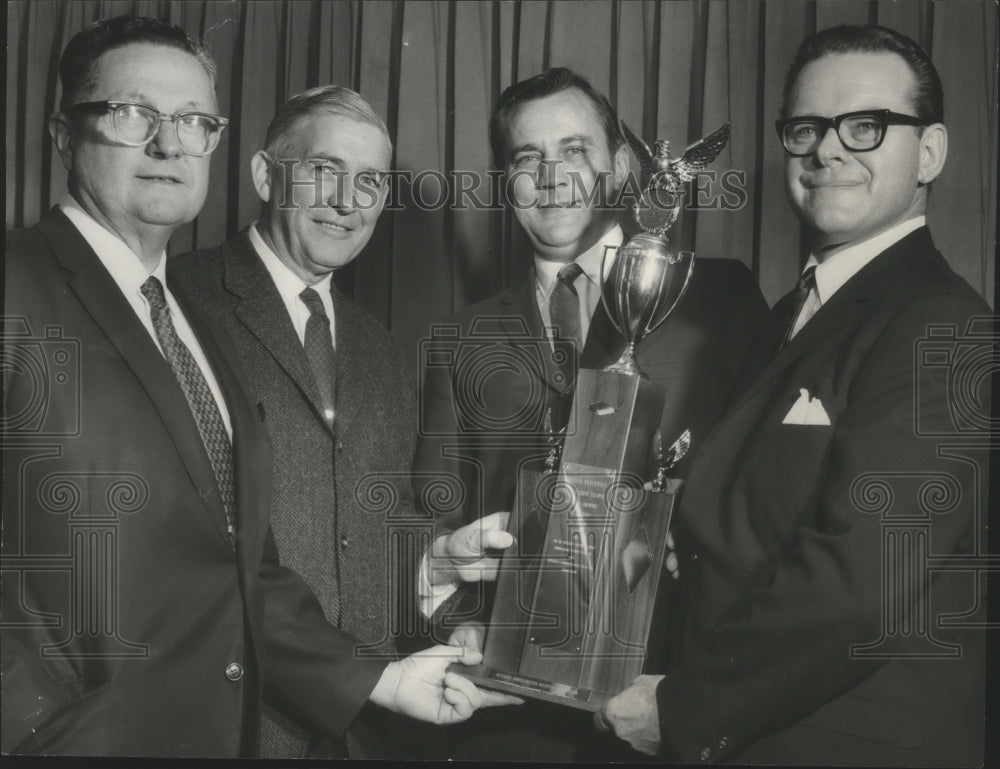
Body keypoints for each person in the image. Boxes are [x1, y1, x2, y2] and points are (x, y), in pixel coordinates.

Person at [1, 16, 507, 758]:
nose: (169, 144)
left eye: (194, 122)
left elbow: (239, 566)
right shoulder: (18, 286)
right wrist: (38, 731)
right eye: (132, 114)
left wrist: (386, 679)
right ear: (62, 133)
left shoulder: (180, 322)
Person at [596, 24, 989, 766]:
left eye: (866, 126)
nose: (828, 149)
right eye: (807, 127)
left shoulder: (948, 325)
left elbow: (862, 583)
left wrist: (681, 708)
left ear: (929, 151)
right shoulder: (792, 314)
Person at [411, 67, 769, 761]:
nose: (550, 177)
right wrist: (459, 624)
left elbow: (761, 492)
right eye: (526, 159)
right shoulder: (458, 339)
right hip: (509, 709)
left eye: (574, 151)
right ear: (505, 182)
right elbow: (435, 510)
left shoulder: (716, 299)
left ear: (623, 165)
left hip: (665, 702)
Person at [170, 85, 491, 758]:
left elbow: (370, 521)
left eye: (370, 180)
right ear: (265, 174)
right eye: (324, 170)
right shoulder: (177, 298)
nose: (348, 201)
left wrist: (433, 564)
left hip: (363, 729)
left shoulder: (380, 346)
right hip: (224, 724)